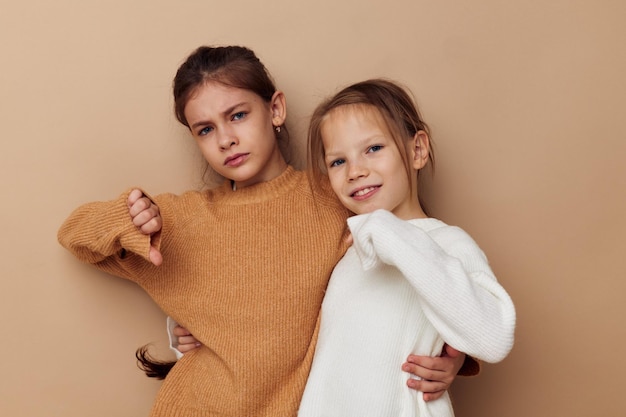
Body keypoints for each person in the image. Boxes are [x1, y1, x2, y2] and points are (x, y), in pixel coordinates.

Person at [57, 46, 473, 417]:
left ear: (275, 109)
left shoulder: (334, 194)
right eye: (205, 129)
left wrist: (454, 356)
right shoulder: (183, 218)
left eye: (238, 115)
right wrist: (128, 219)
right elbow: (73, 232)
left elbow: (419, 254)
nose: (226, 139)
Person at [297, 78, 517, 416]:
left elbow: (493, 336)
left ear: (417, 150)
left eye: (373, 149)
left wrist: (390, 232)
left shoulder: (447, 242)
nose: (355, 171)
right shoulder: (345, 251)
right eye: (338, 162)